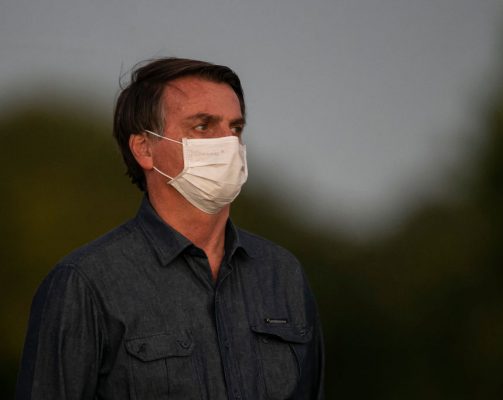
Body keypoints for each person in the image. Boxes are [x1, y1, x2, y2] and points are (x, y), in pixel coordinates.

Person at [16, 57, 324, 400]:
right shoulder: (85, 284)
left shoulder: (281, 274)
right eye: (203, 126)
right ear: (144, 149)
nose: (228, 145)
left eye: (235, 128)